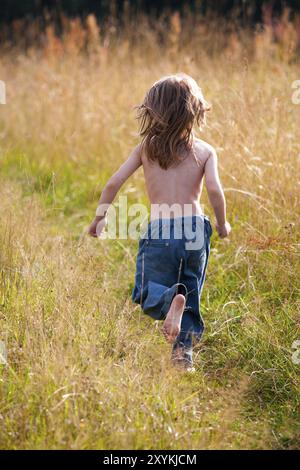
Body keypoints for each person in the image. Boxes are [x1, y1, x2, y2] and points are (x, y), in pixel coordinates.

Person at [88, 73, 231, 371]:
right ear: (195, 110)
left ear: (154, 111)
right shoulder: (205, 151)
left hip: (160, 229)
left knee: (144, 290)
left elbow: (114, 183)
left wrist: (100, 218)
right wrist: (222, 224)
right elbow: (216, 191)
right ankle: (183, 357)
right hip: (195, 230)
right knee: (190, 290)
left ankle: (169, 303)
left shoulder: (146, 149)